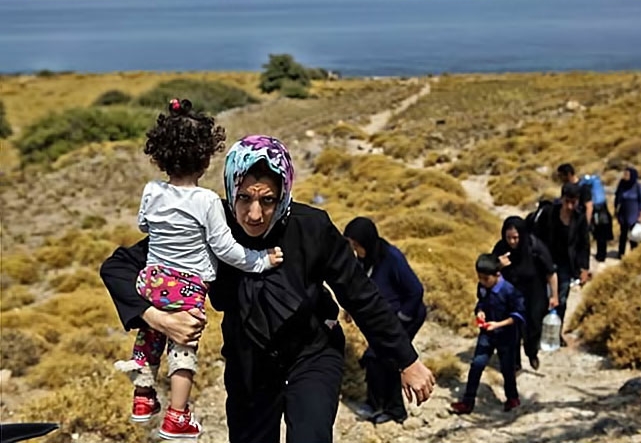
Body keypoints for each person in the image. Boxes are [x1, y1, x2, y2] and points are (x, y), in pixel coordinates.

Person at [100, 134, 435, 443]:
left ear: (284, 193)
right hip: (249, 364)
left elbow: (361, 296)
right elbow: (118, 267)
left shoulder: (312, 228)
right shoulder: (206, 225)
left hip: (313, 352)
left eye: (268, 200)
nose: (254, 214)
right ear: (231, 189)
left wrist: (407, 361)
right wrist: (157, 318)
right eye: (244, 198)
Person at [112, 99, 284, 439]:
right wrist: (261, 260)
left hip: (151, 280)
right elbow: (225, 248)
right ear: (206, 158)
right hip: (186, 286)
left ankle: (143, 399)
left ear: (159, 154)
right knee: (183, 346)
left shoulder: (151, 191)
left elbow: (144, 224)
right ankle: (177, 414)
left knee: (150, 336)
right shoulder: (205, 201)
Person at [342, 217, 427, 425]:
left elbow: (416, 291)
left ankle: (395, 411)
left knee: (388, 360)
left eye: (356, 245)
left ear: (367, 242)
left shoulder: (392, 258)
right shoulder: (364, 259)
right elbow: (362, 286)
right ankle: (374, 403)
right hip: (385, 318)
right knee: (374, 358)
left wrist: (400, 320)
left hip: (407, 316)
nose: (354, 249)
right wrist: (352, 308)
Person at [450, 254, 525, 415]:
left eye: (486, 278)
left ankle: (512, 398)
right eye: (480, 278)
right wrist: (480, 312)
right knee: (477, 365)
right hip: (487, 335)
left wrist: (498, 324)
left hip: (506, 336)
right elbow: (481, 303)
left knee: (506, 369)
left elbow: (518, 316)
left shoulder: (509, 291)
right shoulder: (482, 287)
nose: (482, 282)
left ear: (497, 274)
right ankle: (468, 402)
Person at [492, 216, 558, 371]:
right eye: (508, 238)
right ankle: (515, 363)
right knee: (513, 329)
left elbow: (550, 273)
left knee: (533, 326)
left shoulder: (535, 247)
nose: (512, 242)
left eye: (515, 238)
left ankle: (532, 352)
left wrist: (554, 296)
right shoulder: (501, 248)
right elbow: (488, 274)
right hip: (511, 296)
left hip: (535, 294)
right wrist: (498, 265)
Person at [531, 183, 590, 346]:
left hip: (566, 265)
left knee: (561, 300)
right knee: (541, 298)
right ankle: (536, 333)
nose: (570, 206)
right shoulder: (549, 214)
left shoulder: (579, 218)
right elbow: (536, 238)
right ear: (562, 199)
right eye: (567, 202)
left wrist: (584, 268)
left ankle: (556, 333)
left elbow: (584, 244)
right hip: (544, 262)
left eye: (574, 202)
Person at [614, 166, 641, 258]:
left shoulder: (638, 187)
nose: (625, 176)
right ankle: (621, 253)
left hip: (634, 214)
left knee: (633, 235)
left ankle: (634, 255)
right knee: (623, 234)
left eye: (627, 174)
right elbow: (617, 197)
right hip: (623, 213)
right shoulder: (622, 184)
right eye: (624, 174)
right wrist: (616, 209)